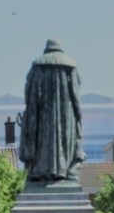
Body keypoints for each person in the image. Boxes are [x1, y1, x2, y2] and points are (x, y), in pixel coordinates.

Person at [19, 38, 86, 183]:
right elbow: (75, 91)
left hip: (41, 112)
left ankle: (40, 171)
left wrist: (31, 110)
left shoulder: (37, 65)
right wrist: (78, 113)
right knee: (63, 140)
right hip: (66, 114)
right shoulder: (70, 65)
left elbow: (28, 89)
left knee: (43, 140)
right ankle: (64, 170)